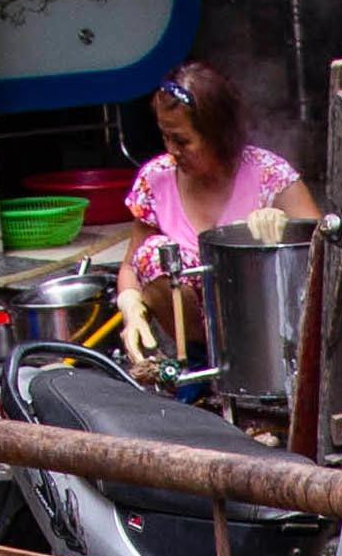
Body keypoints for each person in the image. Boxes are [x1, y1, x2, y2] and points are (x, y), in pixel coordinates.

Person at [115, 62, 320, 354]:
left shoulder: (268, 175)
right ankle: (201, 367)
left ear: (217, 134)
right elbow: (130, 264)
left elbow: (329, 248)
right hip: (196, 344)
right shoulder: (156, 179)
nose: (171, 150)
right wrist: (131, 306)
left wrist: (287, 228)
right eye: (165, 137)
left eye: (182, 140)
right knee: (153, 252)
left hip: (267, 339)